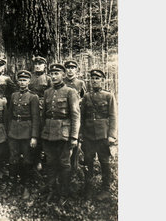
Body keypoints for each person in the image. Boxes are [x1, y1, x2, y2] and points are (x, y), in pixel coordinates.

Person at [40, 64, 80, 202]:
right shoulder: (47, 92)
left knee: (64, 163)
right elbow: (44, 115)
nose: (54, 76)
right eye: (52, 73)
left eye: (57, 73)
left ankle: (64, 192)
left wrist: (74, 136)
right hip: (49, 133)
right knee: (50, 162)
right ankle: (51, 189)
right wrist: (42, 133)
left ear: (63, 75)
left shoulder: (70, 91)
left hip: (64, 134)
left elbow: (75, 115)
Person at [80, 69, 117, 201]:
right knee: (88, 162)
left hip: (103, 135)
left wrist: (112, 135)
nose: (94, 81)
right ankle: (88, 190)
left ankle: (106, 190)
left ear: (102, 80)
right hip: (89, 136)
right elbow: (82, 117)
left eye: (97, 78)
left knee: (104, 163)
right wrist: (81, 136)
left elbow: (113, 116)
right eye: (92, 78)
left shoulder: (108, 96)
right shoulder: (86, 97)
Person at [6, 70, 40, 199]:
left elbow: (36, 118)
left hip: (27, 132)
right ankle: (13, 185)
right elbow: (9, 115)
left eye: (25, 80)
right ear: (17, 81)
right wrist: (8, 131)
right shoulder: (13, 95)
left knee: (27, 160)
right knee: (13, 158)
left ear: (29, 82)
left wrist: (34, 136)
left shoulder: (33, 97)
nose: (22, 82)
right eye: (20, 80)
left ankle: (26, 186)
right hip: (13, 131)